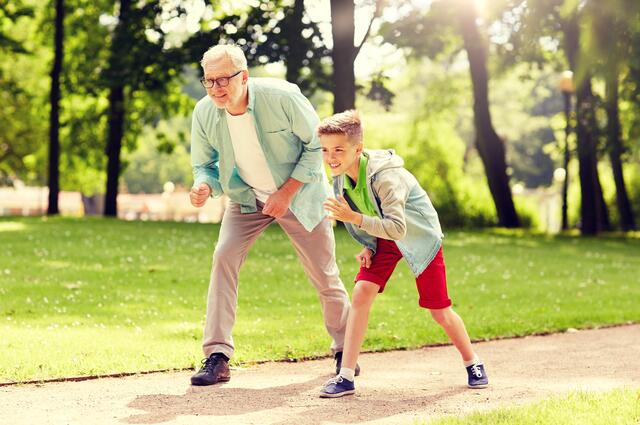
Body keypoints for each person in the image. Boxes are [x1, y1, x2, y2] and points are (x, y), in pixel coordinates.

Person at [188, 44, 357, 386]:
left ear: (244, 76)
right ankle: (217, 356)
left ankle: (345, 350)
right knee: (224, 257)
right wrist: (204, 185)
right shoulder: (205, 112)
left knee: (324, 274)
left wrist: (286, 193)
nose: (217, 88)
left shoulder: (282, 97)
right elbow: (204, 165)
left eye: (224, 79)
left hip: (301, 195)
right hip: (246, 198)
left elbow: (316, 148)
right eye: (210, 81)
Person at [317, 110, 488, 398]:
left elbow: (397, 227)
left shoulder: (385, 177)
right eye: (324, 150)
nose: (330, 157)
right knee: (361, 293)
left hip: (419, 237)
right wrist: (368, 245)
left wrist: (356, 219)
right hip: (384, 237)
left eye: (338, 150)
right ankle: (345, 377)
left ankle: (474, 363)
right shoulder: (341, 178)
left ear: (358, 149)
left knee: (439, 311)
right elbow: (369, 214)